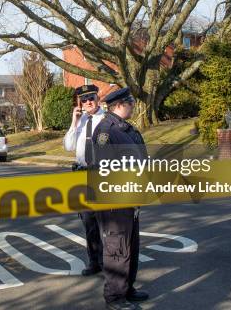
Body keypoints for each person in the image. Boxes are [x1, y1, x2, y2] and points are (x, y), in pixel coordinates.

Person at [92, 87, 149, 310]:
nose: (134, 105)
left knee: (131, 246)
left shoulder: (124, 129)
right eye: (131, 102)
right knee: (117, 248)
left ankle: (126, 289)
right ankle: (114, 297)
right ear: (119, 105)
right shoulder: (106, 131)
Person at [63, 84, 105, 276]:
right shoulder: (80, 122)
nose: (88, 102)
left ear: (98, 99)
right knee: (89, 223)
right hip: (82, 176)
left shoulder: (106, 119)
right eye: (84, 99)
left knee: (108, 223)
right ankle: (94, 261)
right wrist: (74, 121)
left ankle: (111, 262)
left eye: (91, 98)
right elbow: (68, 146)